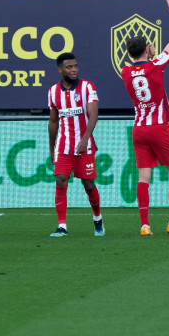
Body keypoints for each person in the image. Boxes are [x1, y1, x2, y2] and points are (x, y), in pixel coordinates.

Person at [120, 0, 169, 236]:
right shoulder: (156, 64)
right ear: (148, 49)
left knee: (143, 176)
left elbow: (136, 62)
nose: (153, 47)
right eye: (150, 45)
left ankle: (144, 225)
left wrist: (142, 54)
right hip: (158, 126)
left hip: (139, 129)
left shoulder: (125, 72)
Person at [48, 52, 103, 238]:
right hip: (63, 146)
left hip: (84, 146)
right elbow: (53, 122)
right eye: (69, 67)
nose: (74, 70)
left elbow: (93, 114)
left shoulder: (88, 87)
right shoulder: (53, 91)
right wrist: (52, 147)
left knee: (88, 184)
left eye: (76, 66)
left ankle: (97, 219)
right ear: (60, 69)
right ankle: (62, 226)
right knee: (61, 180)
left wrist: (85, 138)